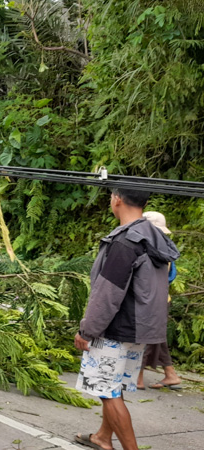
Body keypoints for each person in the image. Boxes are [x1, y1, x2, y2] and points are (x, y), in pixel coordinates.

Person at [73, 189, 179, 450]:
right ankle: (102, 438)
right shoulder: (153, 236)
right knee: (114, 388)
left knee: (107, 393)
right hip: (141, 328)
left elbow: (107, 293)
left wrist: (87, 330)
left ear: (117, 199)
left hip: (115, 329)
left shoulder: (125, 242)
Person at [136, 211, 182, 390]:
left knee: (144, 337)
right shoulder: (167, 249)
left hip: (150, 300)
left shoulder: (148, 249)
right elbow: (171, 277)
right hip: (162, 298)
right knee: (156, 337)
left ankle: (138, 377)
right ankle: (170, 375)